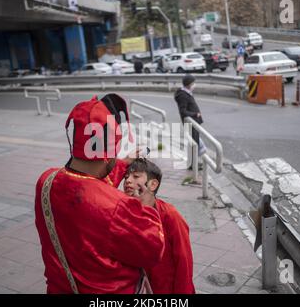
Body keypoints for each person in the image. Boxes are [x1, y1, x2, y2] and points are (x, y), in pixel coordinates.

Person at [34, 94, 165, 294]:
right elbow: (153, 250)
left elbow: (90, 183)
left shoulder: (46, 181)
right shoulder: (117, 207)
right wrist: (146, 205)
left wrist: (123, 162)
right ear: (108, 153)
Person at [123, 159, 195, 294]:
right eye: (126, 177)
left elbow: (183, 261)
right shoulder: (122, 212)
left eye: (136, 176)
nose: (128, 180)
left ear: (153, 184)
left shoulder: (170, 215)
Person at [174, 74, 206, 170]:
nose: (194, 85)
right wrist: (195, 114)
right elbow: (183, 111)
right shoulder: (182, 95)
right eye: (193, 83)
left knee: (195, 143)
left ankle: (194, 163)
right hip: (190, 122)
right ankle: (193, 165)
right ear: (189, 84)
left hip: (193, 123)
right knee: (194, 144)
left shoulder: (186, 93)